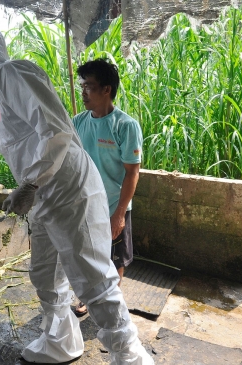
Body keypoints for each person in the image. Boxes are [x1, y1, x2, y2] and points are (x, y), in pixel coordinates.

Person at [0, 19, 153, 365]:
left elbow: (56, 131)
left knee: (92, 277)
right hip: (44, 196)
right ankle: (61, 339)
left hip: (67, 187)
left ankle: (130, 357)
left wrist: (30, 183)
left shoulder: (11, 74)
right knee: (46, 272)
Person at [72, 58, 142, 317]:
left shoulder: (125, 125)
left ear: (106, 90)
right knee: (86, 253)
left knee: (116, 257)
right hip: (86, 204)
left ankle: (113, 297)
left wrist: (120, 213)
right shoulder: (78, 122)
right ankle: (87, 296)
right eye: (82, 86)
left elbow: (132, 172)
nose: (83, 92)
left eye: (89, 86)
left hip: (114, 204)